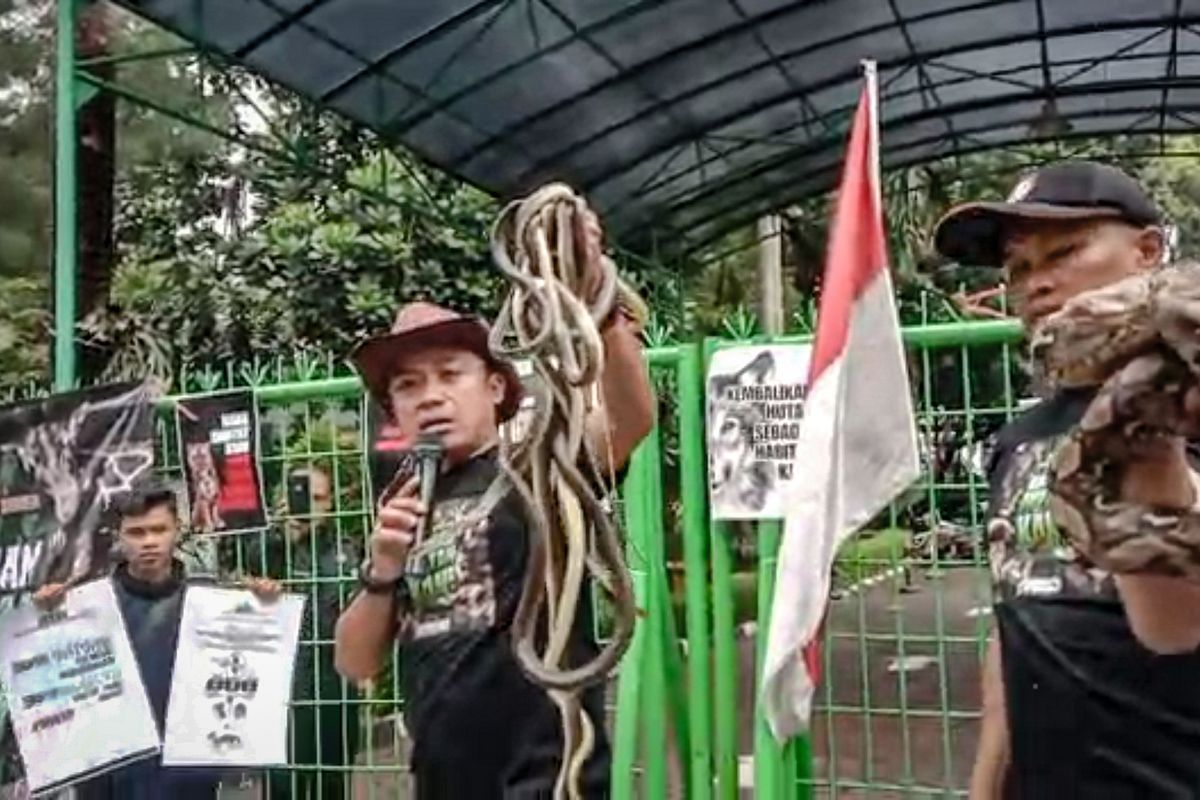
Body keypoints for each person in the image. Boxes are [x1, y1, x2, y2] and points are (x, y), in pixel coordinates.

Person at [333, 209, 655, 798]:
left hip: (545, 781)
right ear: (393, 412)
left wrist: (595, 295)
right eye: (407, 385)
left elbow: (631, 417)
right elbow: (356, 664)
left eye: (449, 374)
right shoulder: (405, 503)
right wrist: (381, 568)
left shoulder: (540, 468)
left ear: (496, 386)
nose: (429, 396)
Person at [933, 160, 1200, 798]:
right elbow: (1019, 620)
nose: (1038, 284)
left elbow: (1174, 628)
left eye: (1066, 252)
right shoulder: (1018, 438)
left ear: (1148, 252)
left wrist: (1146, 441)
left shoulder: (1182, 407)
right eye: (1020, 269)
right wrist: (984, 784)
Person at [32, 478, 281, 800]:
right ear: (119, 536)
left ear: (177, 529)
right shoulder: (86, 608)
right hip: (107, 778)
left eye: (158, 530)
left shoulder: (214, 603)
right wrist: (46, 619)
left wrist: (262, 606)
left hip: (187, 776)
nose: (149, 542)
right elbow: (49, 687)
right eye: (137, 533)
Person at [246, 465, 361, 800]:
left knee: (333, 788)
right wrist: (282, 536)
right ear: (283, 498)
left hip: (335, 691)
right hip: (283, 694)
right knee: (283, 789)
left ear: (329, 504)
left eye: (319, 498)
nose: (309, 506)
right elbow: (252, 574)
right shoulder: (269, 546)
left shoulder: (345, 550)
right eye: (301, 496)